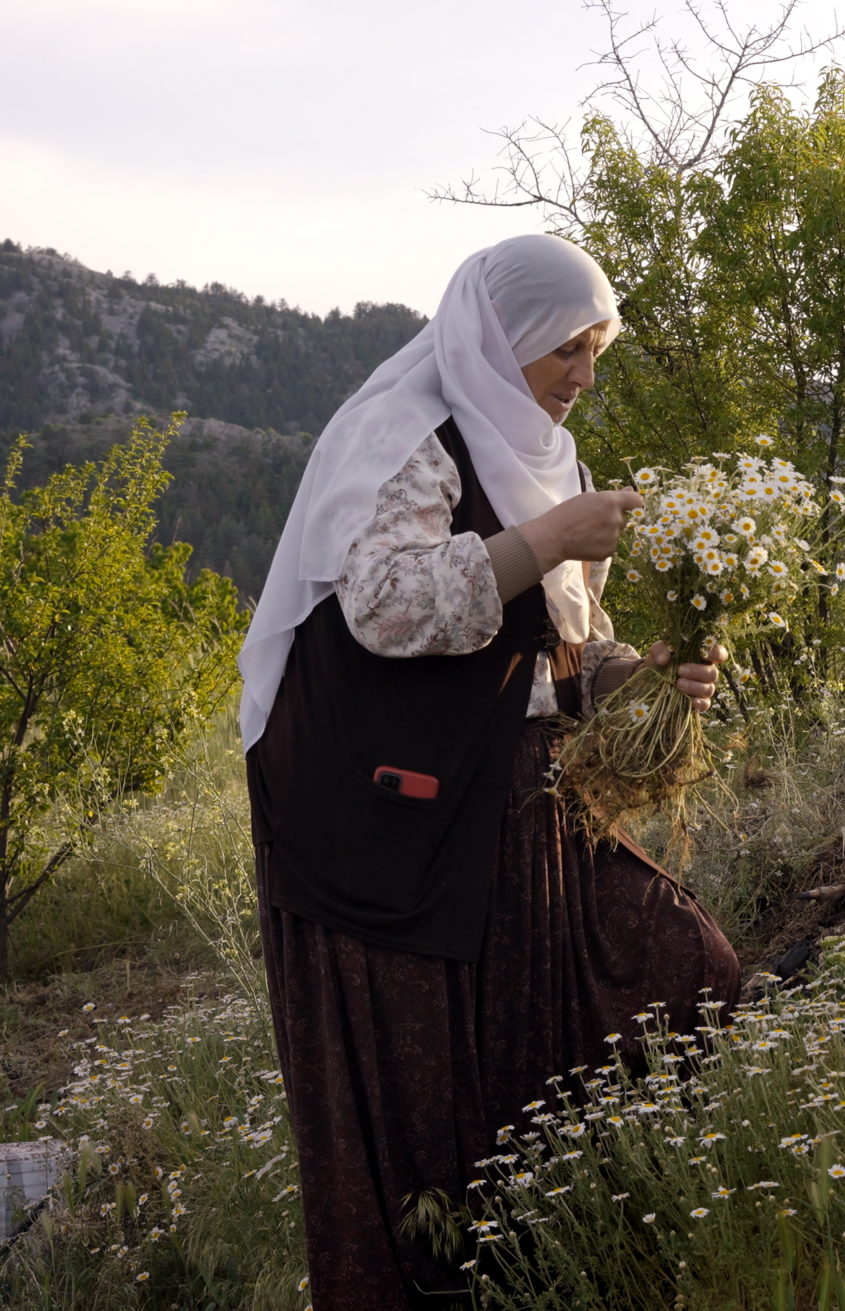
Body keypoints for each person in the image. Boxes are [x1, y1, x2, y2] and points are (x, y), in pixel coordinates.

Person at [237, 235, 739, 1308]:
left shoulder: (548, 464)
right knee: (430, 1109)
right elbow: (385, 607)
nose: (583, 378)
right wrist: (550, 536)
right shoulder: (401, 437)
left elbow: (560, 648)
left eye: (595, 353)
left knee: (681, 959)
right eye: (567, 349)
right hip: (390, 826)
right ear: (501, 335)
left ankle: (593, 1253)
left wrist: (646, 676)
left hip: (518, 802)